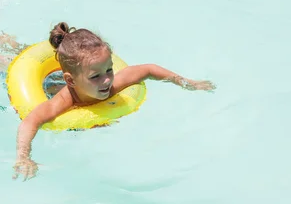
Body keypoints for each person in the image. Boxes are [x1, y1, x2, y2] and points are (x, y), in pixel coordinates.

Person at [12, 22, 216, 181]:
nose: (107, 80)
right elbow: (31, 120)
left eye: (109, 69)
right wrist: (23, 156)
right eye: (96, 77)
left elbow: (148, 69)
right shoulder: (63, 101)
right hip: (45, 82)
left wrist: (185, 82)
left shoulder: (111, 84)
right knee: (3, 61)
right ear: (71, 81)